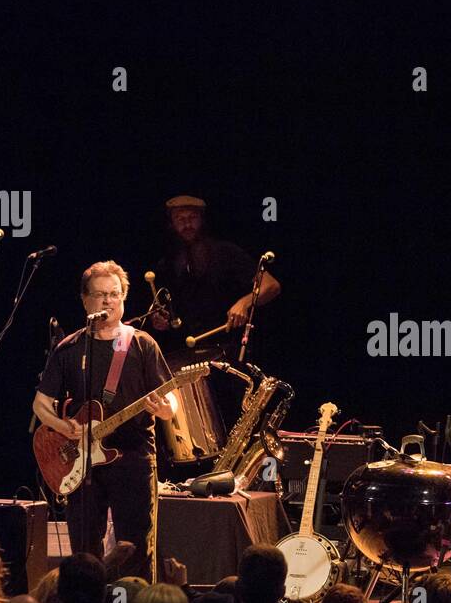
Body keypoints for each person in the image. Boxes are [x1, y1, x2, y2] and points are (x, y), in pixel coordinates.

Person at [33, 261, 177, 580]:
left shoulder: (141, 344)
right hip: (82, 462)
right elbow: (41, 404)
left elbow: (170, 401)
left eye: (114, 294)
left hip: (134, 458)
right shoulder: (69, 348)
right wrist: (62, 426)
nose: (108, 301)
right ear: (85, 300)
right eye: (99, 294)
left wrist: (164, 409)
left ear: (124, 299)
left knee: (136, 548)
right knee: (84, 550)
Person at [151, 195, 281, 358]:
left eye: (192, 217)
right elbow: (168, 312)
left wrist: (244, 303)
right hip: (187, 353)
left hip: (229, 350)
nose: (187, 224)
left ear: (202, 220)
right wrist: (161, 321)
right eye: (180, 219)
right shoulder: (166, 265)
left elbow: (271, 285)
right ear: (172, 224)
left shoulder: (226, 252)